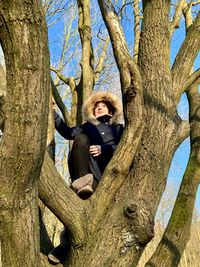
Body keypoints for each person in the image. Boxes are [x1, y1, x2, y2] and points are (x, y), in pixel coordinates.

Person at [48, 91, 123, 264]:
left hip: (108, 179)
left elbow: (126, 148)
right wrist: (53, 112)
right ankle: (64, 246)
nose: (98, 109)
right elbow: (67, 133)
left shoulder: (119, 129)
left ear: (110, 111)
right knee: (80, 138)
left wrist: (104, 149)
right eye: (96, 108)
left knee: (95, 218)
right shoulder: (87, 127)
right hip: (88, 176)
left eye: (102, 107)